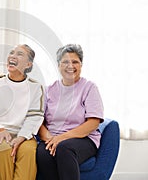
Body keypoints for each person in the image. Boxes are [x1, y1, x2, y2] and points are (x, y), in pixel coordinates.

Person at [36, 44, 104, 180]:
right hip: (53, 137)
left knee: (64, 149)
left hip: (83, 139)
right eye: (65, 62)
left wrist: (61, 139)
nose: (70, 66)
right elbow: (38, 121)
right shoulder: (48, 90)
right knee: (42, 153)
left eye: (75, 62)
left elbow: (93, 123)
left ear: (81, 65)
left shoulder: (89, 87)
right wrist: (51, 139)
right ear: (58, 65)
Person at [0, 44, 44, 180]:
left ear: (28, 64)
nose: (13, 56)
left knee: (27, 150)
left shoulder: (36, 87)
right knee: (5, 148)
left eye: (19, 54)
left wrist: (20, 138)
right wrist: (1, 129)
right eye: (12, 53)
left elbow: (34, 118)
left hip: (23, 135)